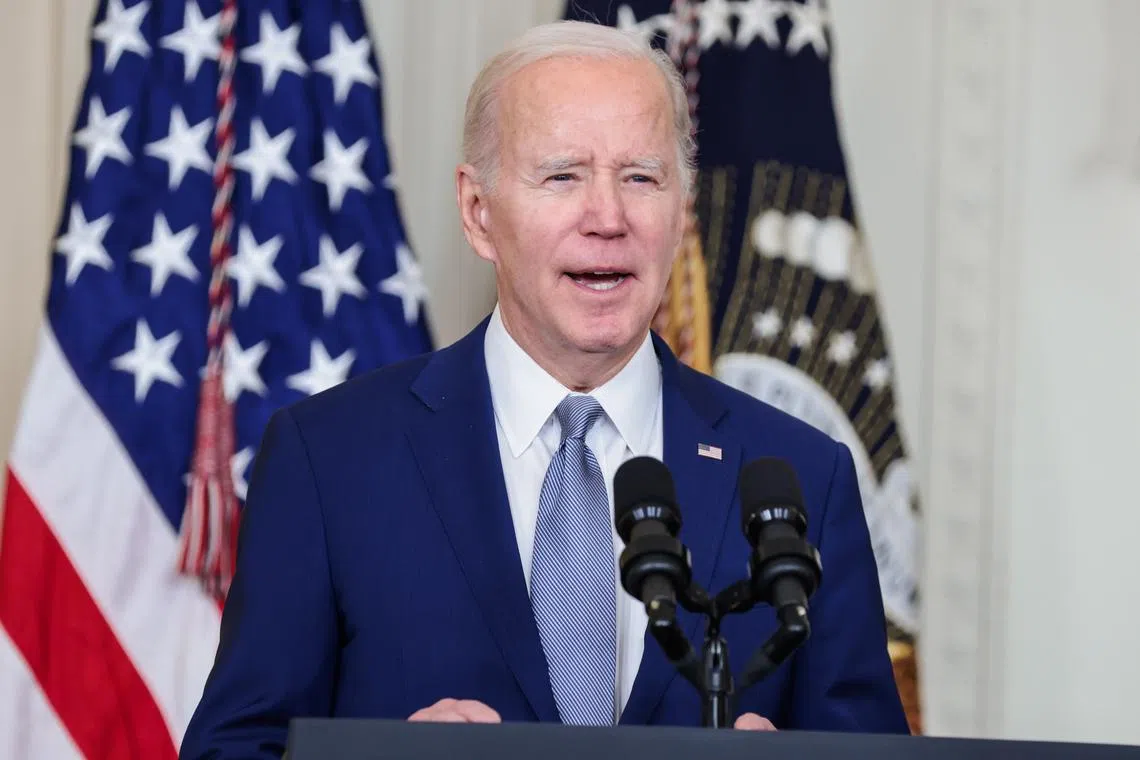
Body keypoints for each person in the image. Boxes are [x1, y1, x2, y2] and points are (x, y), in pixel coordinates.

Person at [179, 19, 909, 759]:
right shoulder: (330, 461)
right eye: (563, 175)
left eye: (641, 178)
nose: (608, 217)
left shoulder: (799, 478)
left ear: (681, 211)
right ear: (478, 212)